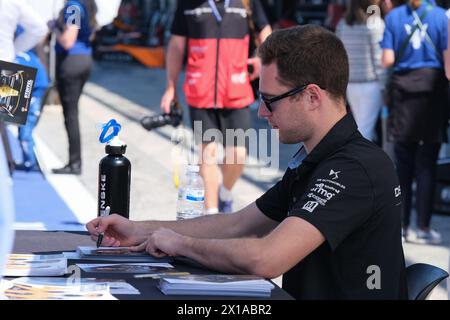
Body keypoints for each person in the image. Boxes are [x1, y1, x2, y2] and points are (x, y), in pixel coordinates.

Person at [87, 25, 408, 300]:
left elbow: (267, 258)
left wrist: (180, 244)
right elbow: (238, 224)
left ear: (312, 96)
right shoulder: (319, 159)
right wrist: (139, 230)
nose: (261, 113)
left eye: (270, 100)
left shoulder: (353, 168)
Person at [160, 0, 272, 214]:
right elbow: (176, 45)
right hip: (200, 91)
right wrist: (170, 87)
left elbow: (264, 30)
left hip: (236, 89)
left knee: (237, 154)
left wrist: (262, 57)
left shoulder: (247, 2)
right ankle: (211, 214)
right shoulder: (187, 4)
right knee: (207, 154)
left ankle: (224, 194)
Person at [381, 0, 449, 244]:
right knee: (427, 163)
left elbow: (387, 59)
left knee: (403, 162)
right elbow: (449, 66)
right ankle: (423, 227)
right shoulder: (442, 17)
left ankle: (402, 225)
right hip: (433, 93)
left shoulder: (393, 17)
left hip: (403, 92)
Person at [0, 0, 47, 279]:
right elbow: (38, 28)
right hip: (10, 69)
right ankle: (7, 176)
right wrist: (13, 50)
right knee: (8, 133)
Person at [51, 0, 97, 175]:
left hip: (71, 61)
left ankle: (75, 163)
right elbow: (92, 35)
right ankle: (74, 162)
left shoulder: (73, 7)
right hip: (84, 59)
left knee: (71, 115)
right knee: (72, 114)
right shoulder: (88, 5)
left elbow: (68, 41)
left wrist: (54, 28)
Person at [336, 0, 386, 142]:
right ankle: (357, 162)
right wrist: (385, 87)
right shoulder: (375, 24)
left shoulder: (343, 24)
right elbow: (378, 60)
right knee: (366, 130)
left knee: (360, 126)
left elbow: (340, 54)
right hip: (370, 84)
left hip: (351, 84)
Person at [14, 48, 50, 172]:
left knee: (25, 132)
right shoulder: (29, 56)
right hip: (31, 95)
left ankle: (31, 161)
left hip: (31, 97)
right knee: (24, 130)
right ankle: (30, 160)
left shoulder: (20, 57)